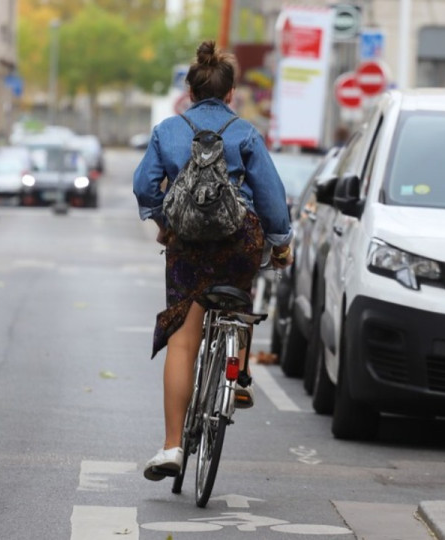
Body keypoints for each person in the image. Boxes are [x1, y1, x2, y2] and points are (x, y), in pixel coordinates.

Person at [132, 41, 293, 481]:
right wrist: (280, 244)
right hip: (236, 241)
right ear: (231, 93)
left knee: (184, 338)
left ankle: (171, 447)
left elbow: (145, 185)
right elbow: (272, 201)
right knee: (238, 298)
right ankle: (237, 373)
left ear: (188, 91)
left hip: (187, 243)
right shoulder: (245, 133)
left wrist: (164, 219)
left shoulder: (168, 129)